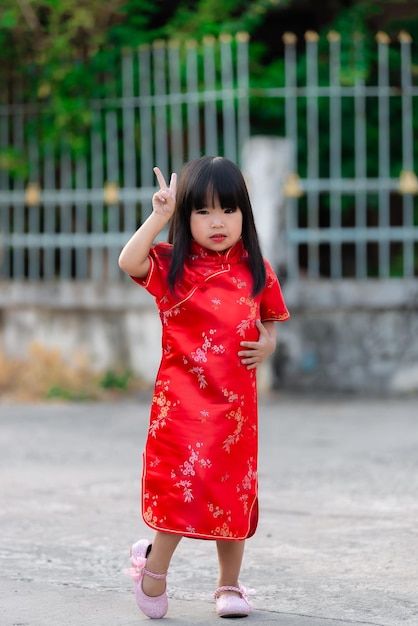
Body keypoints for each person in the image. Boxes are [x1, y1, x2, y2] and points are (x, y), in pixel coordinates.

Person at [119, 156, 290, 619]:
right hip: (180, 407)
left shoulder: (257, 270)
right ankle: (154, 567)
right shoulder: (172, 266)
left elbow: (270, 323)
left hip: (235, 414)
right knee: (182, 488)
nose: (218, 222)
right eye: (203, 211)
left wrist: (268, 346)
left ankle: (229, 586)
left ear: (245, 216)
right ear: (185, 215)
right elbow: (127, 260)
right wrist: (159, 215)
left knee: (230, 493)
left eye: (229, 210)